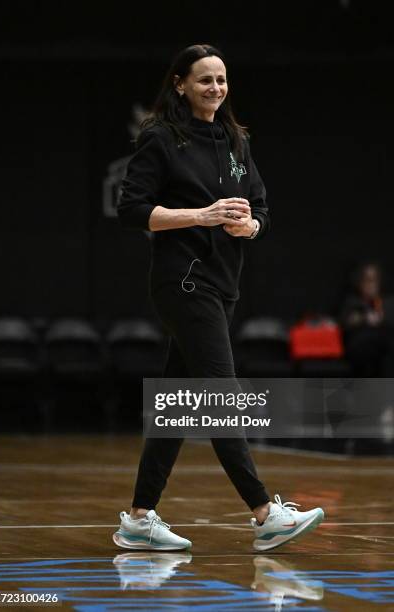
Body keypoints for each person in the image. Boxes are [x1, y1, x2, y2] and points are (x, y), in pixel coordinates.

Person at [113, 44, 324, 552]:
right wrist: (200, 215)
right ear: (180, 85)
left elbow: (262, 209)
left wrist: (250, 226)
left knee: (179, 404)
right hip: (183, 282)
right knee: (221, 397)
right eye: (204, 80)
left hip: (223, 284)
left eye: (222, 80)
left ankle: (139, 519)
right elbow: (131, 209)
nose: (215, 88)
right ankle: (264, 512)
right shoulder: (161, 138)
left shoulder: (235, 140)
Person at [340, 261, 394, 376]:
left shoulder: (388, 302)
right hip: (360, 347)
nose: (370, 285)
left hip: (385, 348)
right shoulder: (352, 302)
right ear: (360, 282)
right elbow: (345, 323)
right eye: (367, 280)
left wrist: (381, 319)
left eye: (374, 280)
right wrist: (364, 318)